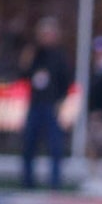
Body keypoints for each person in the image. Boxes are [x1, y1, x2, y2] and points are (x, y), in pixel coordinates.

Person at [17, 13, 70, 189]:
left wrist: (60, 101)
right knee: (29, 145)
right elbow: (23, 75)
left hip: (51, 106)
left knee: (55, 146)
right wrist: (25, 60)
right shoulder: (34, 54)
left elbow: (66, 82)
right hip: (35, 104)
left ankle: (55, 184)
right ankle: (27, 182)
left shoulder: (60, 57)